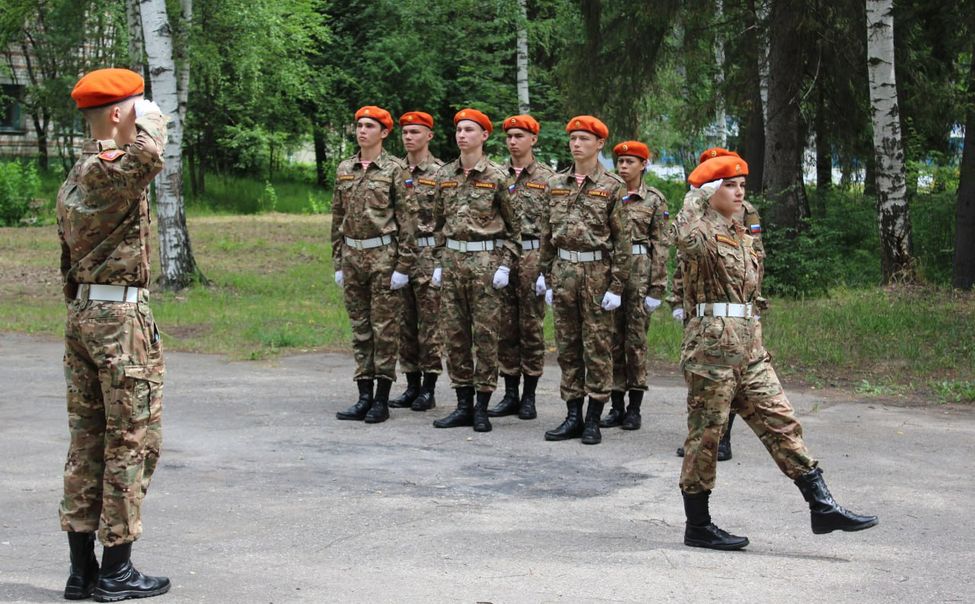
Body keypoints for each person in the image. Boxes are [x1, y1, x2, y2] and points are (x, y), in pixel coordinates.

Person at [673, 148, 878, 550]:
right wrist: (695, 192)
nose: (737, 193)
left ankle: (822, 505)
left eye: (741, 185)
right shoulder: (697, 230)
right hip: (712, 348)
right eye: (727, 185)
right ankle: (698, 525)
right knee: (707, 435)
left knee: (781, 420)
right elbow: (684, 239)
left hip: (749, 346)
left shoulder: (742, 234)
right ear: (710, 191)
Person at [58, 67, 170, 601]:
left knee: (87, 444)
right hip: (119, 323)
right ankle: (117, 571)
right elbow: (151, 154)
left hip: (84, 315)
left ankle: (82, 572)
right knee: (131, 441)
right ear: (120, 114)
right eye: (138, 108)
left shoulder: (80, 172)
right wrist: (147, 118)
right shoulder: (113, 169)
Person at [538, 116, 631, 445]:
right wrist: (543, 274)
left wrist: (617, 286)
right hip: (563, 272)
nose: (576, 144)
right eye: (573, 138)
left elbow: (623, 242)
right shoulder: (555, 183)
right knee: (567, 347)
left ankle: (594, 417)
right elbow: (547, 234)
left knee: (597, 347)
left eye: (584, 139)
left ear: (599, 143)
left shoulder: (612, 186)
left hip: (596, 275)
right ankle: (572, 414)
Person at [672, 153, 767, 460]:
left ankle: (721, 438)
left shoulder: (745, 212)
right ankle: (701, 436)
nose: (736, 191)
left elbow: (754, 257)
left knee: (733, 377)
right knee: (703, 373)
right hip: (699, 303)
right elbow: (683, 259)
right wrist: (679, 299)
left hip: (733, 306)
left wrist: (750, 299)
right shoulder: (696, 211)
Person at [431, 108, 520, 433]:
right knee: (454, 336)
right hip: (453, 263)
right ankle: (463, 403)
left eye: (469, 130)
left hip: (485, 266)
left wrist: (505, 266)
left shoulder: (498, 177)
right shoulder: (444, 175)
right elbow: (437, 224)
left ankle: (482, 405)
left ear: (484, 136)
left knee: (485, 336)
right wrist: (439, 261)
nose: (462, 135)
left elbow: (515, 231)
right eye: (459, 130)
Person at [332, 106, 415, 424]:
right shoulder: (345, 168)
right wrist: (338, 260)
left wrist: (403, 266)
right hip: (353, 257)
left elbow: (408, 222)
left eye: (370, 126)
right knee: (361, 329)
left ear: (384, 132)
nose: (362, 130)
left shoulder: (395, 169)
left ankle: (381, 399)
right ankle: (363, 395)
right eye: (359, 125)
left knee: (385, 329)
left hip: (383, 258)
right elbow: (337, 217)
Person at [489, 115, 555, 421]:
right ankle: (510, 393)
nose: (513, 141)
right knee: (504, 327)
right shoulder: (495, 175)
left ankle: (529, 396)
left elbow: (554, 226)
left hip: (533, 256)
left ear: (533, 140)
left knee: (531, 328)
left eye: (519, 135)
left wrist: (547, 270)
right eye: (509, 136)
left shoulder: (548, 178)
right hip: (502, 257)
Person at [600, 140, 669, 431]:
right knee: (611, 339)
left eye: (630, 161)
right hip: (611, 272)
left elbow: (661, 244)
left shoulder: (653, 199)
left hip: (640, 274)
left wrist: (657, 287)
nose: (623, 166)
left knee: (635, 341)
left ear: (644, 165)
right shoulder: (608, 193)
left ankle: (634, 407)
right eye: (621, 161)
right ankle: (615, 405)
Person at [388, 111, 445, 412]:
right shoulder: (394, 170)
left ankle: (429, 387)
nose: (409, 137)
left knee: (430, 324)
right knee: (403, 323)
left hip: (428, 254)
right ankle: (410, 383)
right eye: (405, 132)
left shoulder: (440, 172)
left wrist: (441, 261)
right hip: (399, 256)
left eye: (415, 132)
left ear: (429, 136)